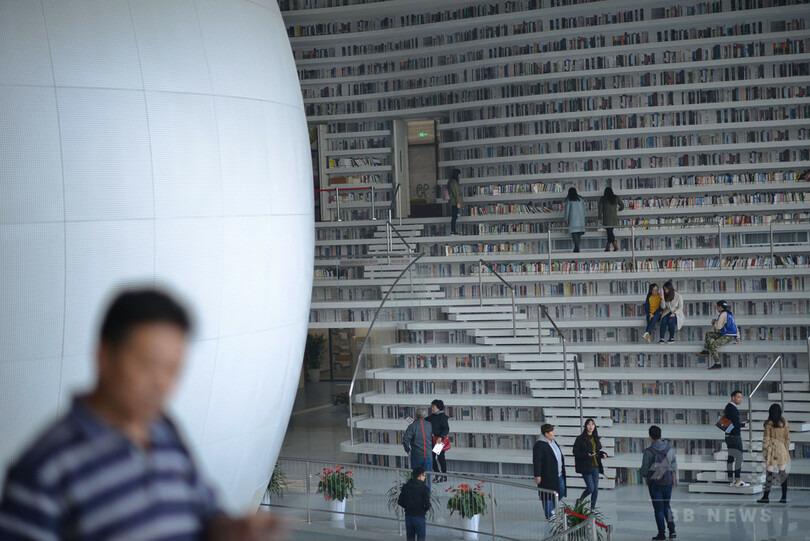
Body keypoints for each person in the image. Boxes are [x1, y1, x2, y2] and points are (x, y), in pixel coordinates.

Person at [0, 288, 282, 540]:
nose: (162, 383)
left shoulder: (165, 432)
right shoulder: (46, 468)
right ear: (103, 356)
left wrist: (234, 530)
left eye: (173, 369)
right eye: (149, 365)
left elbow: (204, 513)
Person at [639, 425, 677, 541]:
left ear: (650, 437)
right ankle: (672, 530)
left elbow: (644, 469)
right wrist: (672, 477)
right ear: (661, 435)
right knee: (667, 506)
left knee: (658, 509)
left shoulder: (648, 451)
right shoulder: (669, 449)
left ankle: (661, 534)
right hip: (668, 482)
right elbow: (674, 465)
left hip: (655, 483)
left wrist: (645, 477)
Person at [757, 403, 790, 504]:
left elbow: (766, 439)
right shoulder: (785, 422)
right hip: (782, 450)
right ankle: (784, 497)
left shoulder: (769, 424)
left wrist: (764, 451)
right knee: (782, 474)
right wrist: (785, 450)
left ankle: (766, 497)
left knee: (769, 475)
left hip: (771, 450)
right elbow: (787, 438)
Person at [532, 424, 566, 519]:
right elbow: (537, 461)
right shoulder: (540, 445)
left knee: (561, 492)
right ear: (546, 434)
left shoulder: (553, 442)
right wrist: (537, 475)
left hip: (558, 474)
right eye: (551, 431)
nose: (553, 433)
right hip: (546, 475)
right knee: (547, 496)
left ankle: (551, 509)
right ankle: (549, 515)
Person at [572, 418, 608, 510]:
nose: (591, 426)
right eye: (589, 424)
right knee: (591, 488)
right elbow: (575, 452)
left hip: (595, 466)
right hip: (586, 466)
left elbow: (596, 452)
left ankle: (592, 509)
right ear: (585, 426)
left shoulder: (595, 438)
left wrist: (603, 454)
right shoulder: (580, 438)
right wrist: (586, 455)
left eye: (593, 424)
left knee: (595, 489)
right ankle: (580, 500)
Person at [697, 300, 740, 370]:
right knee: (708, 334)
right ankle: (706, 351)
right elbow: (735, 327)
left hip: (728, 336)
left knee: (713, 346)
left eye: (717, 307)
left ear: (720, 307)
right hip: (728, 334)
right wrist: (738, 338)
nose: (717, 308)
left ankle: (717, 364)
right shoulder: (730, 314)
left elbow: (718, 327)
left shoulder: (723, 315)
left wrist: (713, 322)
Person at [724, 390, 750, 488]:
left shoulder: (728, 407)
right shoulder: (733, 408)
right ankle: (738, 480)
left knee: (731, 458)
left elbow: (732, 422)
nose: (741, 399)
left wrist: (739, 423)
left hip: (728, 436)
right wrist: (744, 424)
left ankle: (731, 480)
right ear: (733, 397)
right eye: (738, 397)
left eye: (741, 398)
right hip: (735, 436)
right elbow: (736, 424)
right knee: (739, 457)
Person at [398, 466, 431, 541]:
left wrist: (407, 507)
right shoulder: (424, 488)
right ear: (420, 476)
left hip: (408, 516)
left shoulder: (406, 486)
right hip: (419, 516)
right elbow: (427, 503)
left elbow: (400, 501)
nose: (425, 478)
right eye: (424, 475)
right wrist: (425, 510)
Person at [403, 409, 433, 485]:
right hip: (428, 455)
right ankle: (426, 496)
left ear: (415, 416)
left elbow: (405, 440)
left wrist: (408, 451)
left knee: (416, 478)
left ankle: (416, 495)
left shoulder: (412, 426)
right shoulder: (429, 425)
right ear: (425, 416)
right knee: (427, 478)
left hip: (416, 455)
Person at [426, 399, 450, 482]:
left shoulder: (442, 417)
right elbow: (424, 420)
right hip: (432, 440)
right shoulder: (432, 416)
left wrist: (441, 437)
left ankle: (444, 475)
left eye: (433, 406)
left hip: (439, 441)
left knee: (440, 458)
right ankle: (437, 473)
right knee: (431, 458)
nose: (432, 408)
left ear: (438, 407)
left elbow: (446, 429)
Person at [597, 186, 624, 252]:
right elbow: (622, 206)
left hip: (606, 217)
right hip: (614, 217)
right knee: (610, 231)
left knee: (609, 231)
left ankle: (614, 246)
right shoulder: (616, 197)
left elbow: (600, 209)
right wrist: (618, 209)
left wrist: (599, 217)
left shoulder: (603, 199)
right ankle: (608, 247)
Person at [564, 187, 586, 252]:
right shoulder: (581, 199)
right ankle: (577, 247)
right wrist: (583, 218)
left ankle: (577, 247)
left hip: (572, 218)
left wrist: (566, 219)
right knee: (578, 234)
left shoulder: (568, 199)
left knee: (574, 233)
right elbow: (584, 210)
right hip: (581, 218)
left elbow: (567, 210)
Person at [447, 168, 462, 235]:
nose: (460, 175)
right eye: (459, 174)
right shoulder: (454, 182)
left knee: (454, 216)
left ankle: (453, 230)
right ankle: (453, 230)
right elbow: (456, 193)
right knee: (454, 216)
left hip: (453, 201)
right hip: (454, 202)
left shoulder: (451, 181)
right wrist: (458, 203)